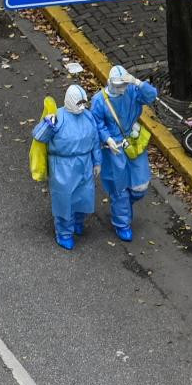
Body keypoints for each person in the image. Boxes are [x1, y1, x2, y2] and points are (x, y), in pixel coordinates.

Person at [91, 66, 158, 242]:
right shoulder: (99, 100)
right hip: (114, 150)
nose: (121, 88)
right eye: (118, 85)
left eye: (124, 84)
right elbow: (97, 123)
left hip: (133, 144)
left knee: (140, 186)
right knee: (119, 189)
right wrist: (107, 139)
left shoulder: (132, 90)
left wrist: (137, 82)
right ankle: (122, 224)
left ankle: (124, 206)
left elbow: (151, 96)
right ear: (109, 82)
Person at [31, 85, 101, 250]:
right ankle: (64, 233)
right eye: (79, 103)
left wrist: (97, 162)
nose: (82, 107)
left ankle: (78, 220)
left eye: (84, 103)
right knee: (64, 200)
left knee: (84, 196)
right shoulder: (57, 117)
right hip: (62, 166)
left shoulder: (88, 117)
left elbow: (95, 141)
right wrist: (48, 124)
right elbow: (38, 136)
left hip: (84, 164)